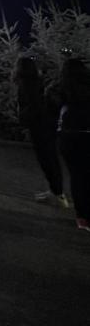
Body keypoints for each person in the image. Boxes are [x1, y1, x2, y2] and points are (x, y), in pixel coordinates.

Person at [14, 56, 68, 207]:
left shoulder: (27, 84)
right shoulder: (38, 81)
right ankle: (57, 192)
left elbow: (33, 106)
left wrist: (23, 117)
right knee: (51, 159)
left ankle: (57, 194)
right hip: (47, 126)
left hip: (39, 127)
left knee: (47, 160)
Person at [57, 58, 90, 232]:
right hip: (87, 134)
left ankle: (82, 217)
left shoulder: (59, 89)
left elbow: (51, 112)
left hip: (67, 138)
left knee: (77, 177)